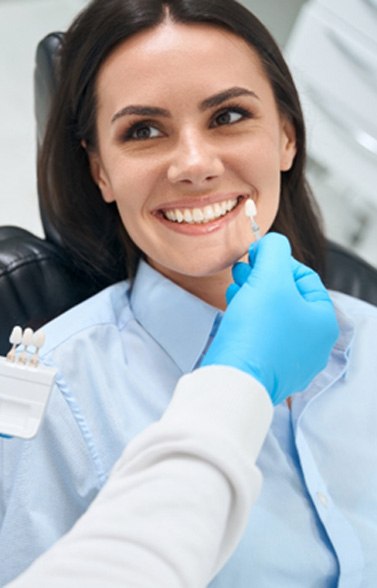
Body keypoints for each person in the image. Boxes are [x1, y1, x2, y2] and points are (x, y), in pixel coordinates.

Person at [0, 0, 376, 586]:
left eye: (228, 116)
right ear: (101, 172)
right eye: (143, 131)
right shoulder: (58, 399)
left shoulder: (369, 337)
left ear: (286, 137)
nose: (194, 165)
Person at [5, 234, 338, 587]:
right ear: (101, 178)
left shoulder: (366, 333)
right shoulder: (62, 385)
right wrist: (240, 379)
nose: (196, 174)